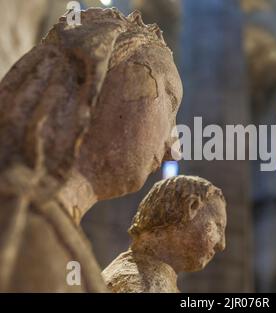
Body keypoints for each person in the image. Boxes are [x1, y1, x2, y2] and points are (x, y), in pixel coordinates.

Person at [0, 8, 182, 292]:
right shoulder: (23, 227)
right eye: (170, 102)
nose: (174, 148)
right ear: (94, 80)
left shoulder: (47, 227)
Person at [103, 175, 226, 293]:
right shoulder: (145, 284)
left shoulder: (145, 276)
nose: (222, 245)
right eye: (218, 227)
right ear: (192, 206)